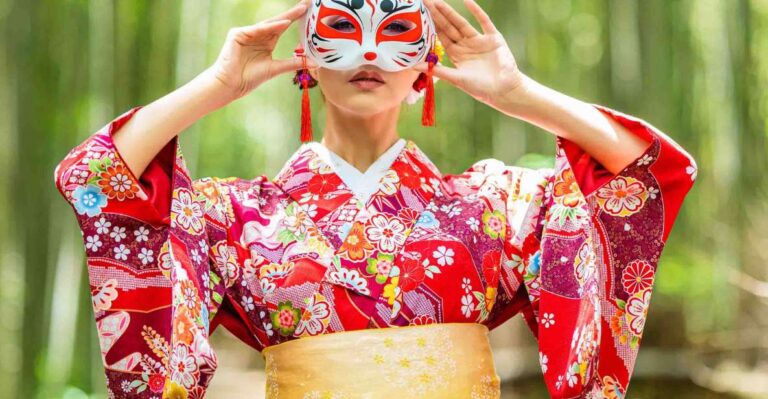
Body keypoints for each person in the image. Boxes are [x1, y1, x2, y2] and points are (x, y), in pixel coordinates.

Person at [53, 0, 697, 398]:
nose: (367, 50)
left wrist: (517, 92)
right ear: (305, 52)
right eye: (340, 24)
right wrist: (217, 85)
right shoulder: (235, 216)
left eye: (395, 30)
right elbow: (94, 181)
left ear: (427, 64)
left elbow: (646, 175)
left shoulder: (494, 203)